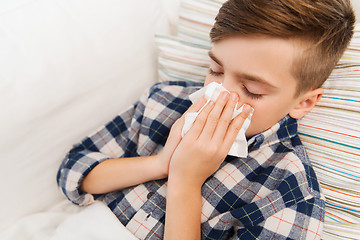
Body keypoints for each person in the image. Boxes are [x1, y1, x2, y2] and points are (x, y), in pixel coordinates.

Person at [57, 0, 355, 239]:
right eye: (215, 69)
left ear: (303, 102)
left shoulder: (288, 193)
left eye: (251, 90)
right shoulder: (162, 101)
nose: (219, 95)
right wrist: (159, 164)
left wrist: (186, 182)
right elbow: (73, 170)